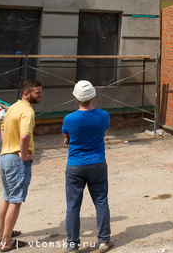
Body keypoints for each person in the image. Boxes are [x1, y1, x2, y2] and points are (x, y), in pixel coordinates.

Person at [62, 81, 112, 253]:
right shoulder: (104, 115)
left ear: (76, 98)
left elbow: (66, 135)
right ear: (93, 96)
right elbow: (103, 133)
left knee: (73, 206)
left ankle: (72, 245)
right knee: (101, 201)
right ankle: (104, 241)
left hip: (75, 165)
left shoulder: (69, 118)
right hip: (97, 163)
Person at [0, 79, 43, 252]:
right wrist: (23, 155)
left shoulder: (12, 108)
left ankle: (1, 234)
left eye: (40, 92)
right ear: (26, 93)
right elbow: (24, 137)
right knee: (16, 200)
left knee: (7, 197)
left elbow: (1, 128)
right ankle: (7, 242)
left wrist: (7, 146)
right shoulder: (27, 112)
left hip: (5, 157)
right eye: (37, 93)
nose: (40, 95)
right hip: (16, 160)